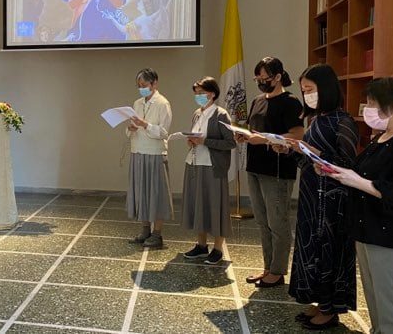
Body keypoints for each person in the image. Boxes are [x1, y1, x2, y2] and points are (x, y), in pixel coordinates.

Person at [322, 77, 393, 334]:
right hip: (369, 231)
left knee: (390, 305)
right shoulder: (383, 137)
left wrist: (356, 181)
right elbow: (361, 173)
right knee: (376, 300)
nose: (367, 109)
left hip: (392, 236)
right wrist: (335, 171)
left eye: (372, 103)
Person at [273, 64, 358, 329]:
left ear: (326, 88)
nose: (306, 95)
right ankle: (318, 300)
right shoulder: (316, 119)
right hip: (312, 196)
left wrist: (319, 155)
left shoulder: (343, 121)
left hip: (332, 201)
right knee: (311, 247)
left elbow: (349, 163)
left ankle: (330, 308)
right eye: (303, 90)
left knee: (328, 250)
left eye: (310, 90)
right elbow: (308, 161)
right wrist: (289, 149)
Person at [236, 57, 303, 288]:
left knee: (278, 221)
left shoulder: (290, 102)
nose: (261, 82)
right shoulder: (257, 100)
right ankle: (267, 267)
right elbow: (254, 129)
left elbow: (297, 134)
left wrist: (260, 139)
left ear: (277, 77)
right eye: (258, 79)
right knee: (262, 221)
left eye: (265, 78)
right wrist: (243, 135)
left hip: (277, 170)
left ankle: (278, 270)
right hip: (255, 166)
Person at [181, 77, 236, 265]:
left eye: (202, 93)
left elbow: (230, 142)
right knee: (199, 204)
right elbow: (195, 135)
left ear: (212, 93)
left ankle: (218, 248)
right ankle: (201, 245)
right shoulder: (197, 113)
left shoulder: (221, 114)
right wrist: (191, 141)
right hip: (195, 163)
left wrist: (205, 142)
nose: (198, 96)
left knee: (215, 205)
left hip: (213, 167)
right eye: (196, 93)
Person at [126, 68, 173, 248]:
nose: (141, 89)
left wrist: (145, 124)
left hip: (154, 153)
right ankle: (144, 230)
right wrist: (130, 129)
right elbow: (132, 127)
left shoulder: (163, 103)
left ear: (154, 84)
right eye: (139, 86)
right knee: (141, 192)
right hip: (138, 151)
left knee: (156, 192)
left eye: (144, 85)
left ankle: (157, 233)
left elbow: (163, 132)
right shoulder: (137, 103)